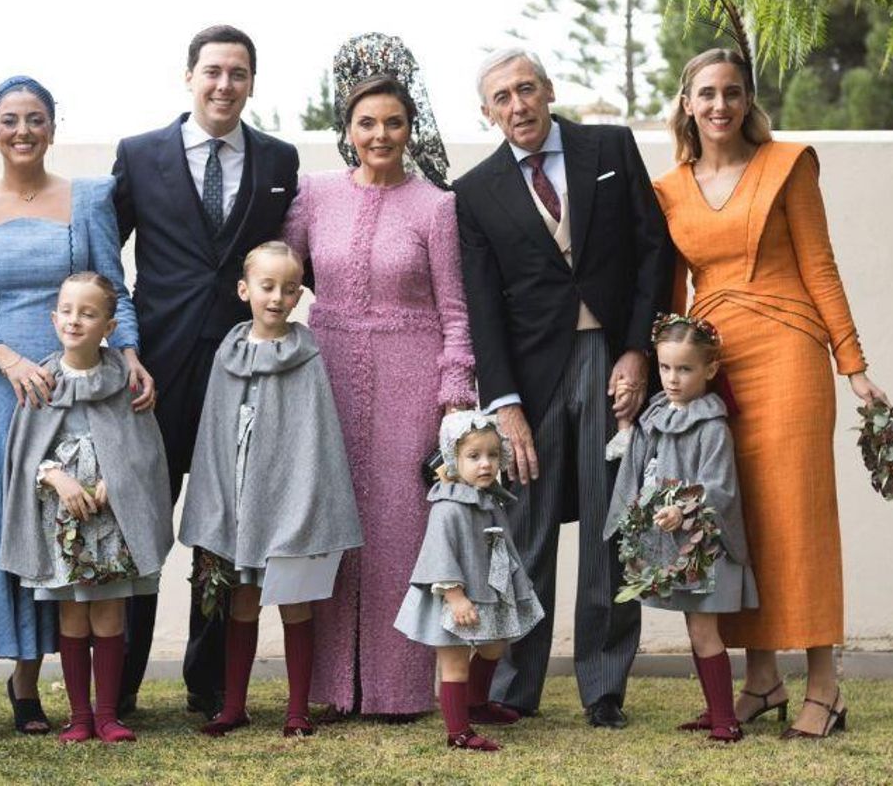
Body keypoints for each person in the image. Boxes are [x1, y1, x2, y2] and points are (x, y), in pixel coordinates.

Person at [654, 48, 889, 739]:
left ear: (747, 99)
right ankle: (760, 681)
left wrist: (853, 363)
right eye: (707, 94)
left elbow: (820, 264)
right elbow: (673, 298)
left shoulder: (789, 163)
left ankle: (825, 685)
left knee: (797, 517)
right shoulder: (669, 189)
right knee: (735, 518)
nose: (720, 105)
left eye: (732, 92)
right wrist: (661, 374)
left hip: (789, 349)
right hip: (713, 367)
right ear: (688, 104)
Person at [0, 76, 153, 746]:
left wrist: (128, 354)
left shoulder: (90, 200)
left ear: (53, 126)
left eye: (36, 119)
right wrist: (2, 355)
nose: (23, 131)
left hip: (68, 387)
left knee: (48, 519)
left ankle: (26, 678)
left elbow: (116, 289)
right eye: (9, 120)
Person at [452, 47, 674, 727]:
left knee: (612, 527)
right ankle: (514, 690)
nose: (517, 105)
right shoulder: (474, 191)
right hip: (531, 379)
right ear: (486, 112)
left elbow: (653, 250)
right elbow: (483, 307)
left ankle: (604, 689)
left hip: (610, 357)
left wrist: (637, 349)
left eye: (526, 89)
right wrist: (506, 406)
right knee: (526, 535)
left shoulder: (608, 146)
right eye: (501, 97)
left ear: (547, 91)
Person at [111, 24, 301, 717]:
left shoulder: (279, 160)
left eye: (239, 74)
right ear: (189, 76)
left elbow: (290, 257)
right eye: (213, 71)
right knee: (139, 523)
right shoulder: (138, 156)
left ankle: (209, 681)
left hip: (243, 374)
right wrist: (122, 346)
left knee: (224, 529)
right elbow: (108, 258)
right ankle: (120, 682)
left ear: (252, 82)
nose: (225, 85)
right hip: (153, 372)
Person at [284, 61, 477, 719]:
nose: (381, 133)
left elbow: (456, 308)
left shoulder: (436, 206)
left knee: (403, 529)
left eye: (394, 122)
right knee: (331, 526)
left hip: (411, 378)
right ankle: (331, 688)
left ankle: (399, 689)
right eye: (367, 122)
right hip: (328, 371)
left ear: (410, 128)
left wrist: (454, 394)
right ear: (348, 129)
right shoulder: (313, 195)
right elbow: (277, 281)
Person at [178, 241, 364, 738]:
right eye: (266, 286)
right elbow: (213, 433)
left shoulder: (306, 356)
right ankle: (233, 705)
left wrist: (303, 499)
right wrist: (216, 499)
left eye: (288, 288)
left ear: (300, 294)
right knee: (241, 602)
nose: (277, 297)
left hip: (288, 500)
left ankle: (297, 710)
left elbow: (315, 437)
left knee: (294, 602)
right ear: (245, 290)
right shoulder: (228, 352)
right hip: (237, 499)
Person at [0, 273, 175, 744]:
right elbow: (24, 452)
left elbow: (146, 449)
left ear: (109, 326)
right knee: (72, 615)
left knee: (110, 615)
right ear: (54, 317)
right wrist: (56, 477)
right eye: (68, 311)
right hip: (64, 521)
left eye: (89, 313)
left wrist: (117, 480)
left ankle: (108, 715)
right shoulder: (42, 379)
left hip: (113, 518)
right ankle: (79, 716)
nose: (76, 320)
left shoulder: (124, 379)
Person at [604, 313, 755, 742]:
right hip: (674, 544)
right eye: (666, 367)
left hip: (705, 546)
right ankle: (715, 710)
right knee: (695, 627)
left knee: (705, 629)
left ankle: (726, 720)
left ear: (709, 369)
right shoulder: (656, 414)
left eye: (685, 369)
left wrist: (682, 510)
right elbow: (639, 463)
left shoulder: (711, 427)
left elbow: (719, 487)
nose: (672, 379)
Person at [394, 411, 545, 752]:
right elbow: (439, 554)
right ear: (453, 458)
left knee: (494, 644)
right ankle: (458, 732)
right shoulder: (447, 508)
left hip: (486, 592)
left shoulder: (489, 502)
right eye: (474, 457)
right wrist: (455, 596)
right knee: (455, 660)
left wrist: (513, 583)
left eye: (492, 455)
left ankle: (476, 703)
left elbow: (502, 546)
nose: (485, 464)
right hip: (453, 597)